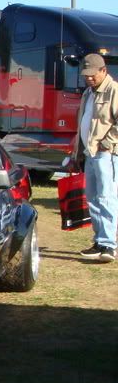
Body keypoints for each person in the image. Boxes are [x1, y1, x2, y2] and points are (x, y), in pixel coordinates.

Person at [72, 54, 118, 262]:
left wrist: (106, 144)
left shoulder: (114, 90)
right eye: (86, 75)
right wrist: (77, 152)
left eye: (92, 75)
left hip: (106, 154)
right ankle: (100, 240)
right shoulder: (88, 93)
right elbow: (84, 123)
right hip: (90, 153)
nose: (89, 79)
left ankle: (109, 245)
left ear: (103, 71)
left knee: (106, 197)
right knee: (92, 198)